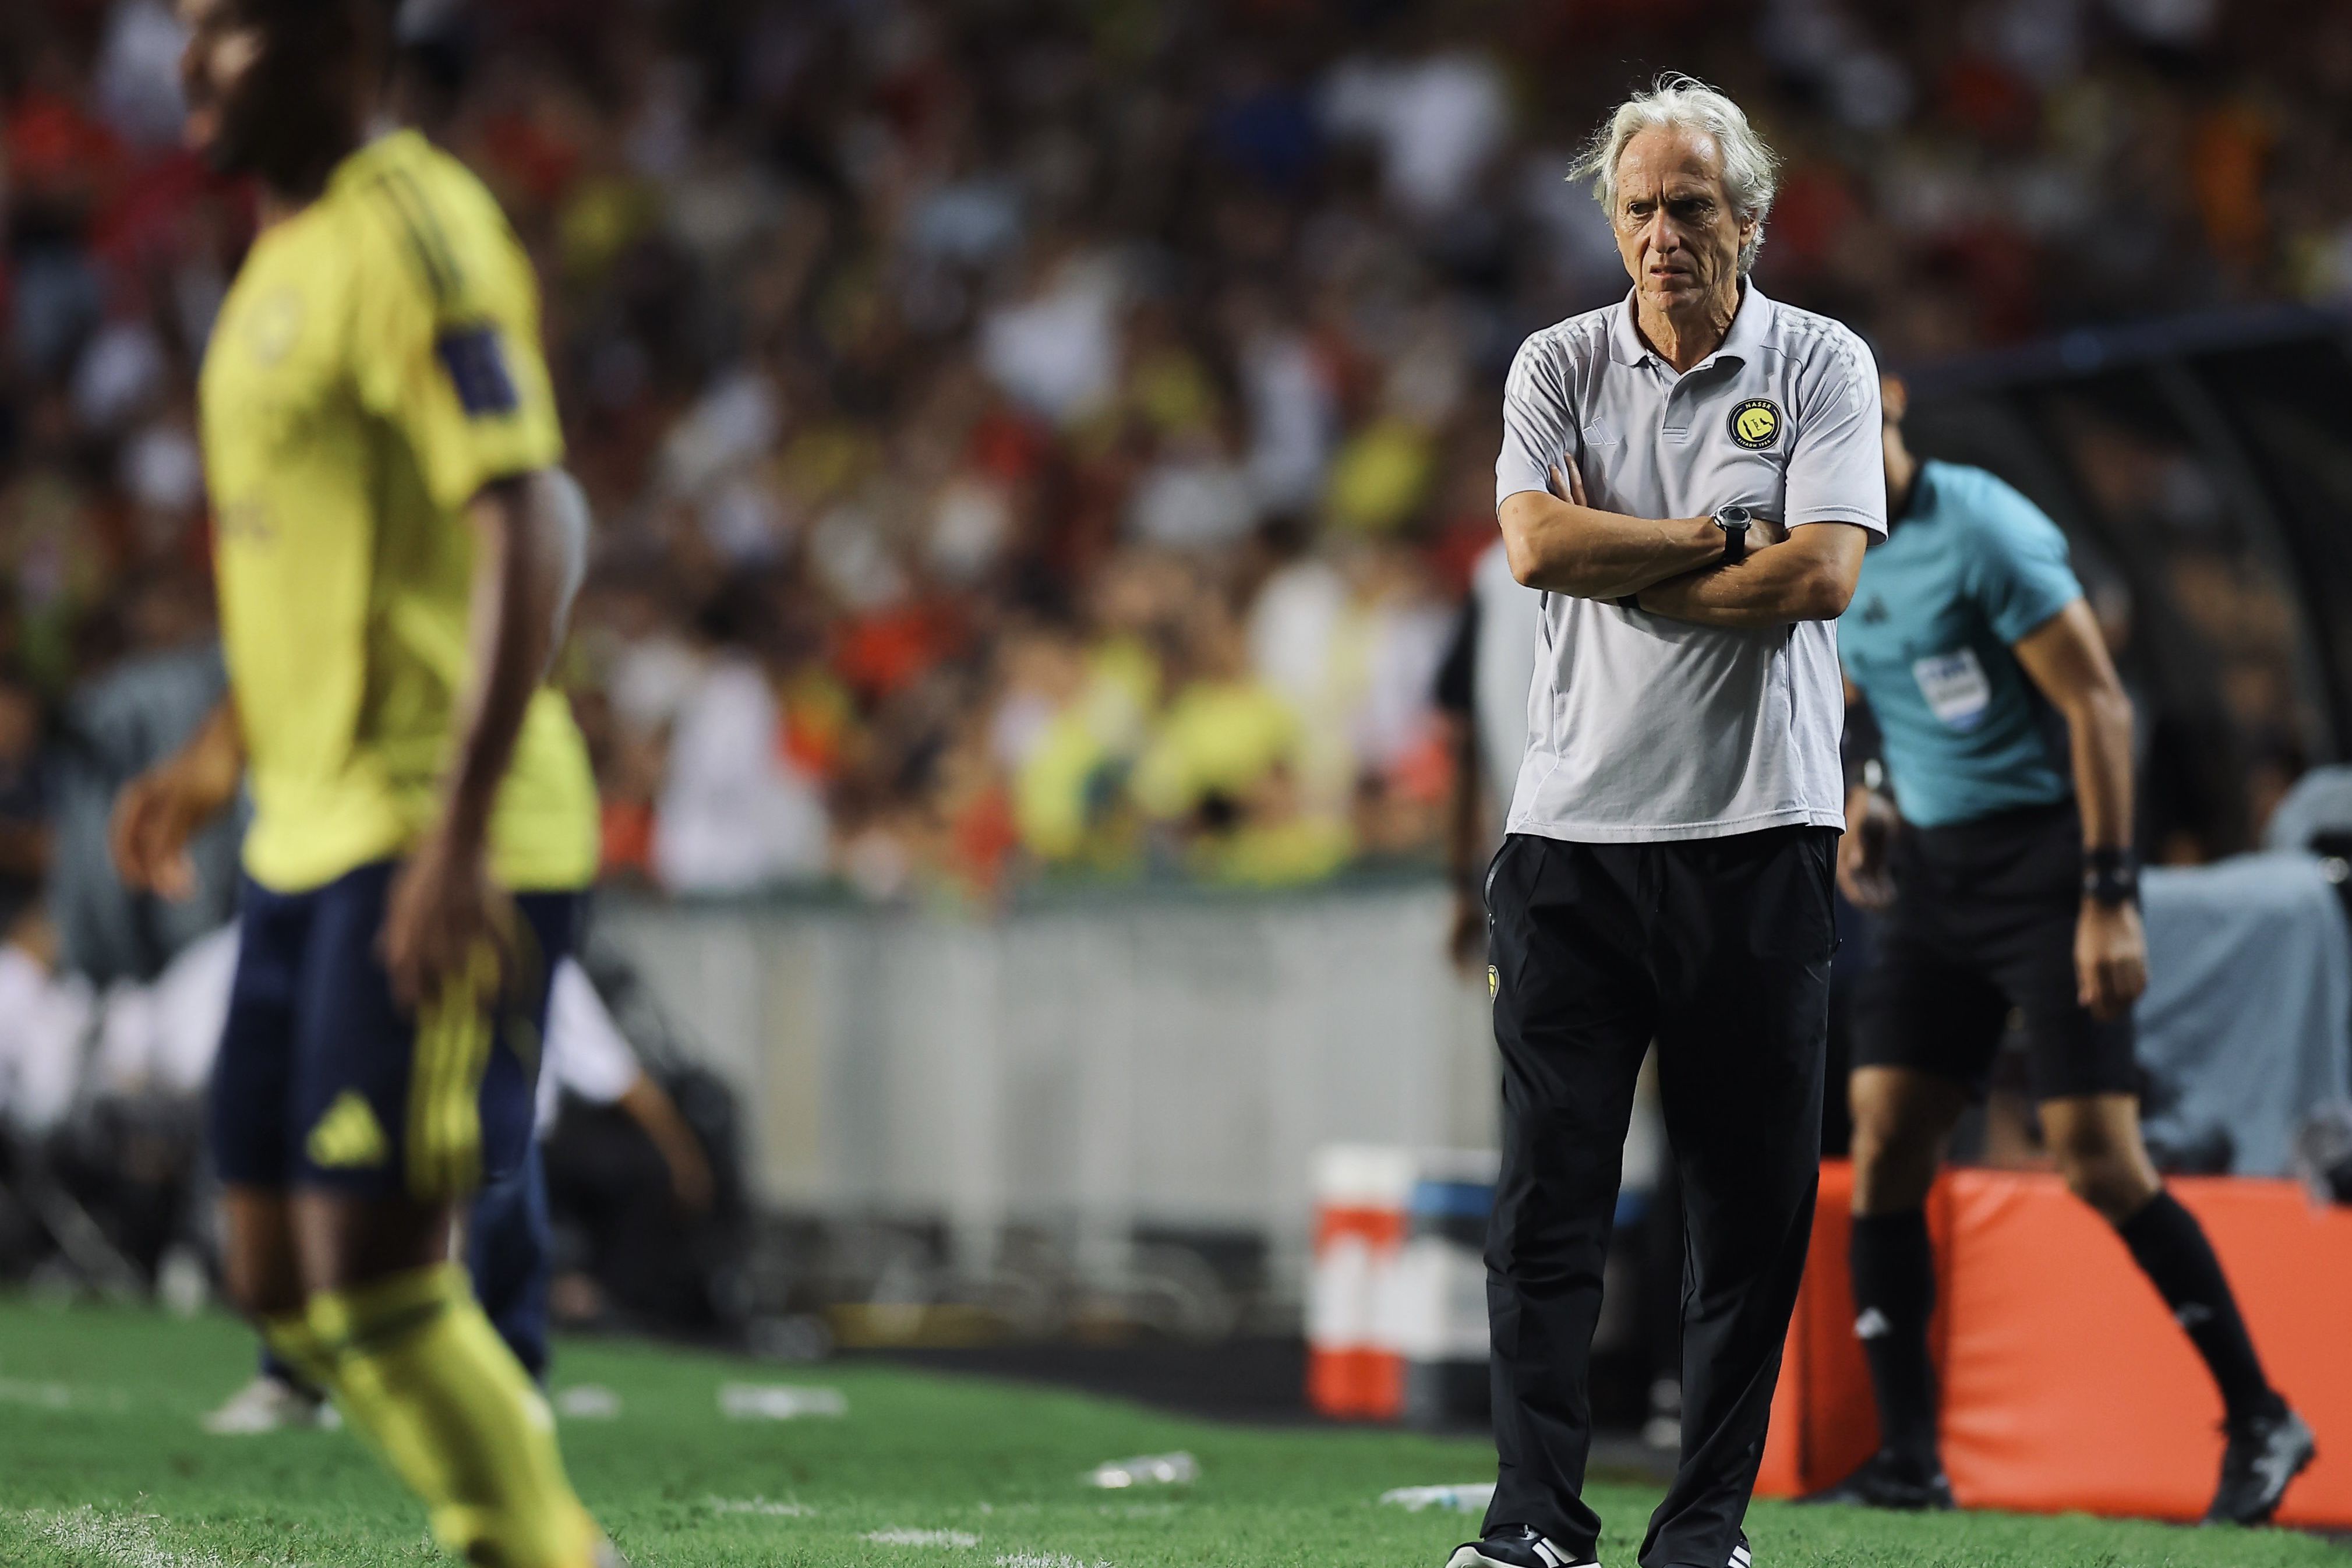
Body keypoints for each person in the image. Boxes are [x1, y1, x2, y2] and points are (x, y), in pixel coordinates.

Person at [110, 2, 613, 1563]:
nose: (189, 62)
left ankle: (535, 1542)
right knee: (280, 1277)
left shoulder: (416, 231)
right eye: (184, 27)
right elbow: (321, 573)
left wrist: (456, 833)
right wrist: (216, 761)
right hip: (303, 829)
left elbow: (524, 520)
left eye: (231, 29)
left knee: (383, 1280)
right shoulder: (279, 258)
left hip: (432, 834)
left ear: (339, 37)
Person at [1453, 76, 1886, 1568]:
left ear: (1748, 221)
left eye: (1690, 207)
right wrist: (1713, 538)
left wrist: (1613, 556)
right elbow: (1530, 544)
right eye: (1636, 208)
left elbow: (1824, 579)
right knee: (1545, 1205)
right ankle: (1532, 1523)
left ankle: (1702, 1528)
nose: (1660, 234)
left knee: (1743, 1216)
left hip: (1757, 837)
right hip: (1570, 841)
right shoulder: (1555, 364)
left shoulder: (1822, 360)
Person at [1811, 375, 2314, 1523]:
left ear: (1886, 402)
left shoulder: (1983, 525)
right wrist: (1871, 797)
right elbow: (1875, 694)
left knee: (2097, 1155)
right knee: (1887, 1138)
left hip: (2045, 865)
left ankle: (2261, 1412)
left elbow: (2098, 706)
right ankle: (1908, 1458)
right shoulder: (1832, 552)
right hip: (1933, 877)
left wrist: (2108, 894)